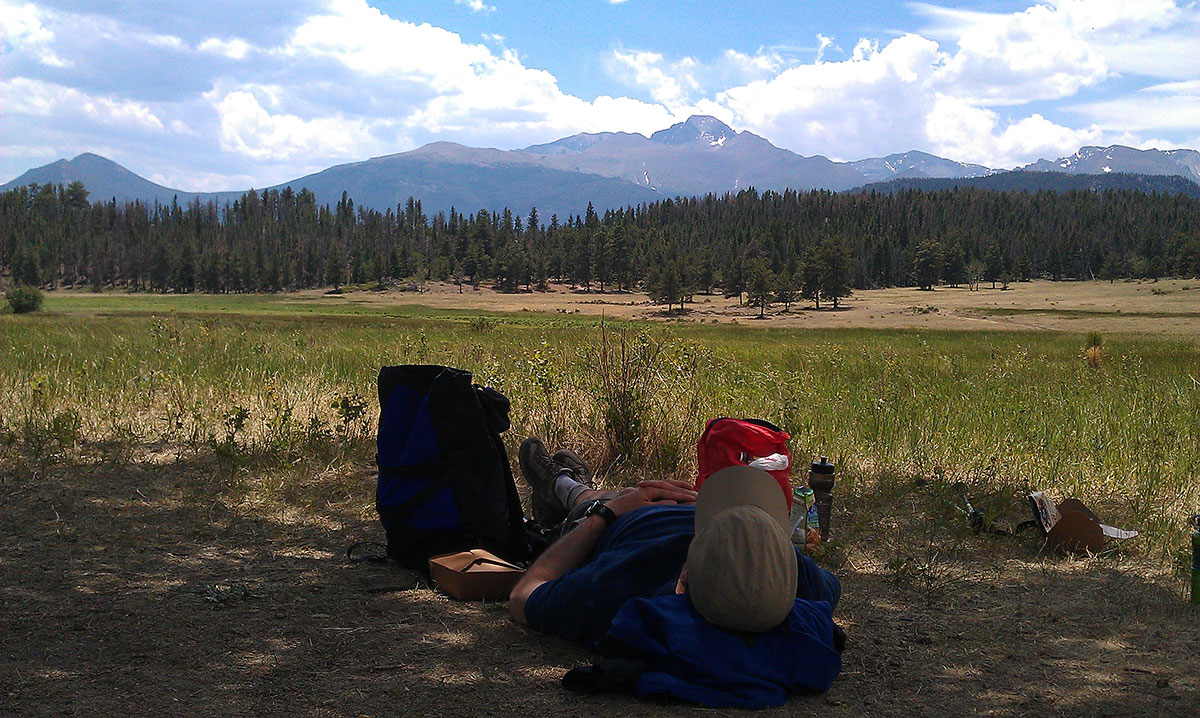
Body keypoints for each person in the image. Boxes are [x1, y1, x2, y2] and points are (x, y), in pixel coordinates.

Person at [508, 437, 844, 706]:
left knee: (599, 499)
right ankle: (578, 487)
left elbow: (524, 595)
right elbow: (830, 587)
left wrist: (606, 514)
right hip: (689, 504)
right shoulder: (790, 571)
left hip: (630, 520)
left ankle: (564, 487)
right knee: (644, 494)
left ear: (683, 577)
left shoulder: (619, 583)